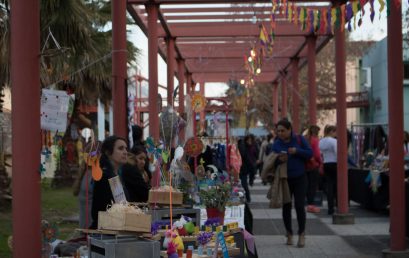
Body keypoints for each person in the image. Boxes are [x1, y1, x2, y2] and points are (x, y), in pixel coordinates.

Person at [271, 119, 312, 248]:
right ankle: (289, 233)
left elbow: (310, 154)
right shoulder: (276, 144)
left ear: (290, 130)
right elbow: (271, 162)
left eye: (283, 130)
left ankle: (301, 234)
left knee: (300, 205)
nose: (280, 133)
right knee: (286, 207)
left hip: (300, 177)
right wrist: (278, 159)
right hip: (285, 179)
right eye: (278, 131)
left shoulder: (299, 139)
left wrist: (297, 151)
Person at [90, 135, 128, 229]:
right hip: (105, 231)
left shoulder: (115, 175)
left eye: (126, 149)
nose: (125, 152)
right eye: (120, 148)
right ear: (108, 152)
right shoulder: (106, 176)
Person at [319, 125, 337, 216]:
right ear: (331, 132)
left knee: (329, 186)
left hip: (326, 163)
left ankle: (330, 208)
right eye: (335, 132)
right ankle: (338, 205)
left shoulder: (321, 141)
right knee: (337, 185)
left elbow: (320, 153)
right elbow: (338, 153)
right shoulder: (334, 141)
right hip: (334, 163)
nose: (336, 134)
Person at [304, 125, 322, 213]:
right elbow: (317, 154)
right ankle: (311, 205)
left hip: (305, 165)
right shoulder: (315, 140)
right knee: (313, 186)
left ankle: (307, 204)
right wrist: (320, 162)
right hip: (313, 165)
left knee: (307, 185)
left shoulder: (305, 139)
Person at [238, 134, 258, 202]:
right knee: (243, 184)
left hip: (249, 166)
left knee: (244, 183)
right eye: (248, 140)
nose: (249, 141)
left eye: (250, 140)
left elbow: (256, 154)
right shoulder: (243, 146)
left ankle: (247, 197)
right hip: (243, 167)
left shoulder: (253, 146)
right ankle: (247, 198)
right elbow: (243, 155)